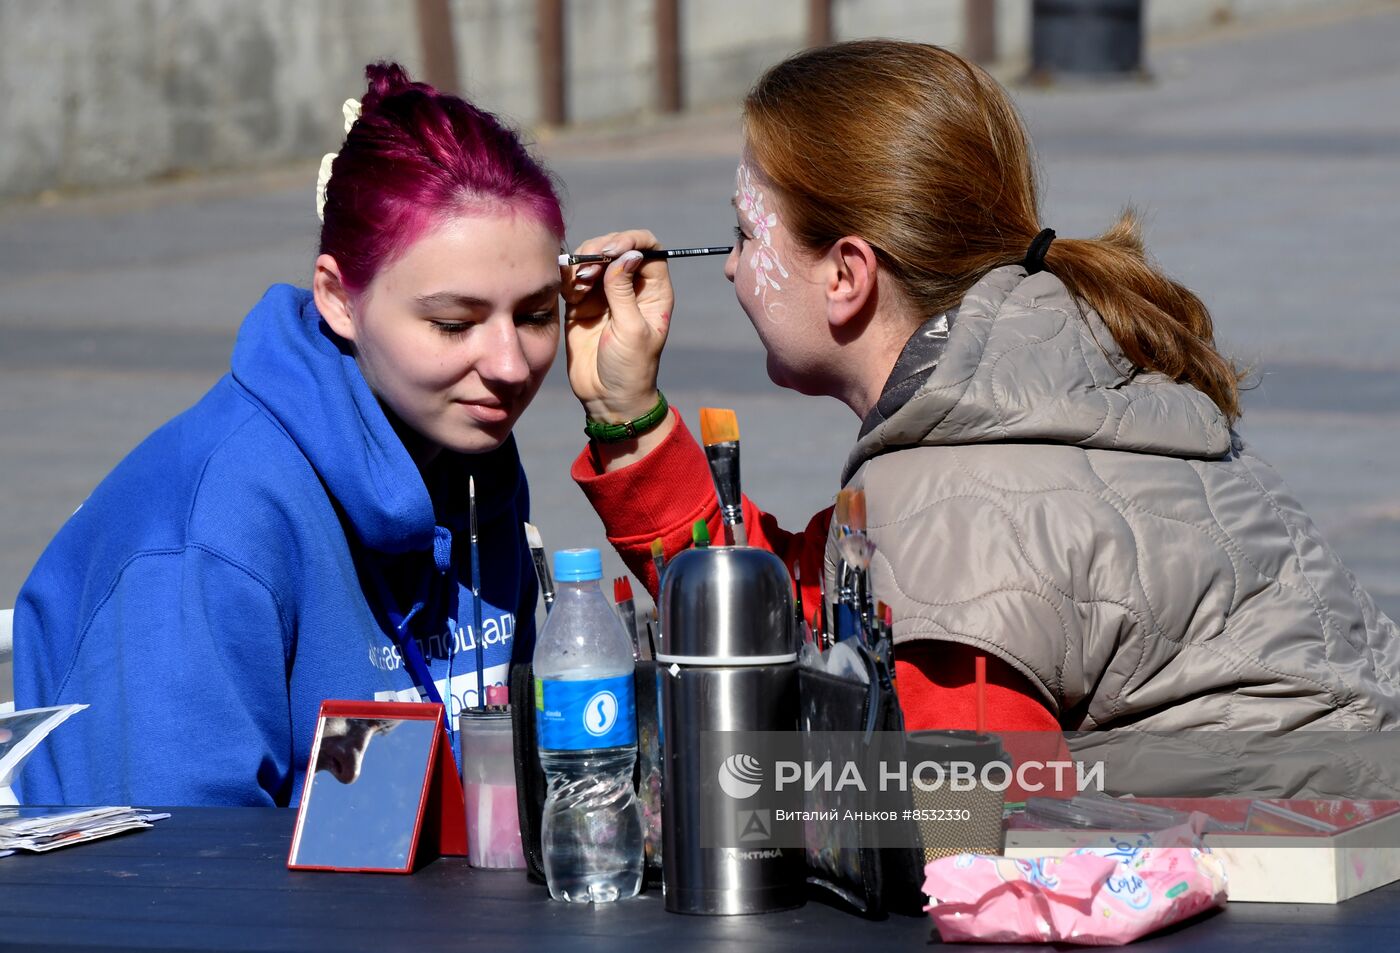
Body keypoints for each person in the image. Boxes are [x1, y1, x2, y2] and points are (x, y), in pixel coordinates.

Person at [562, 41, 1400, 794]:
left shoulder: (957, 505)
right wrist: (626, 415)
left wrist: (735, 805)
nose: (733, 269)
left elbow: (977, 831)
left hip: (1293, 869)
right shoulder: (1050, 373)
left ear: (847, 274)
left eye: (744, 234)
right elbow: (809, 606)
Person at [14, 63, 565, 807]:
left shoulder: (469, 449)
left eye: (535, 315)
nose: (508, 364)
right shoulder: (206, 533)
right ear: (339, 298)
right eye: (453, 323)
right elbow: (172, 891)